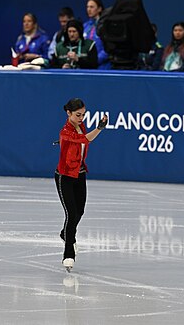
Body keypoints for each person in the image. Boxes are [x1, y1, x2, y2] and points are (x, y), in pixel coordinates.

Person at [55, 98, 108, 272]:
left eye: (83, 115)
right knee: (71, 213)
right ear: (68, 113)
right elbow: (84, 140)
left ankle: (65, 233)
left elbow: (84, 140)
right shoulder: (65, 131)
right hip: (65, 177)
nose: (81, 118)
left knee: (80, 211)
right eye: (78, 115)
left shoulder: (81, 126)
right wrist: (100, 128)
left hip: (80, 174)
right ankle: (68, 252)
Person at [98, 0, 155, 70]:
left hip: (134, 59)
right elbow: (100, 31)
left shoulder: (138, 12)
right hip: (114, 58)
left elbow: (146, 34)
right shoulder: (109, 12)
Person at [84, 0, 111, 69]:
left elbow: (108, 48)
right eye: (87, 7)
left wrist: (95, 60)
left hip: (103, 67)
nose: (89, 9)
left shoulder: (106, 26)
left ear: (99, 9)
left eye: (92, 7)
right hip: (87, 67)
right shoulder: (85, 26)